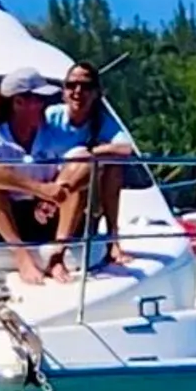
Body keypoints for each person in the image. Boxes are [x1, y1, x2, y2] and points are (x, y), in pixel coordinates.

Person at [0, 67, 76, 285]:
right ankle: (21, 255)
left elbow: (80, 158)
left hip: (43, 214)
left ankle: (58, 254)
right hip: (1, 220)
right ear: (18, 102)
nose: (43, 106)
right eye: (38, 100)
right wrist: (40, 189)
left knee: (81, 164)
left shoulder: (52, 135)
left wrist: (55, 192)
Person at [35, 61, 139, 268]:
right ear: (63, 91)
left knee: (108, 164)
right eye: (71, 85)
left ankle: (112, 238)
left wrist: (91, 153)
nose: (78, 91)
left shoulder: (101, 121)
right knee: (82, 161)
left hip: (76, 194)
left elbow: (126, 149)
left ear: (96, 93)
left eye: (86, 86)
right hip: (45, 186)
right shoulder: (50, 116)